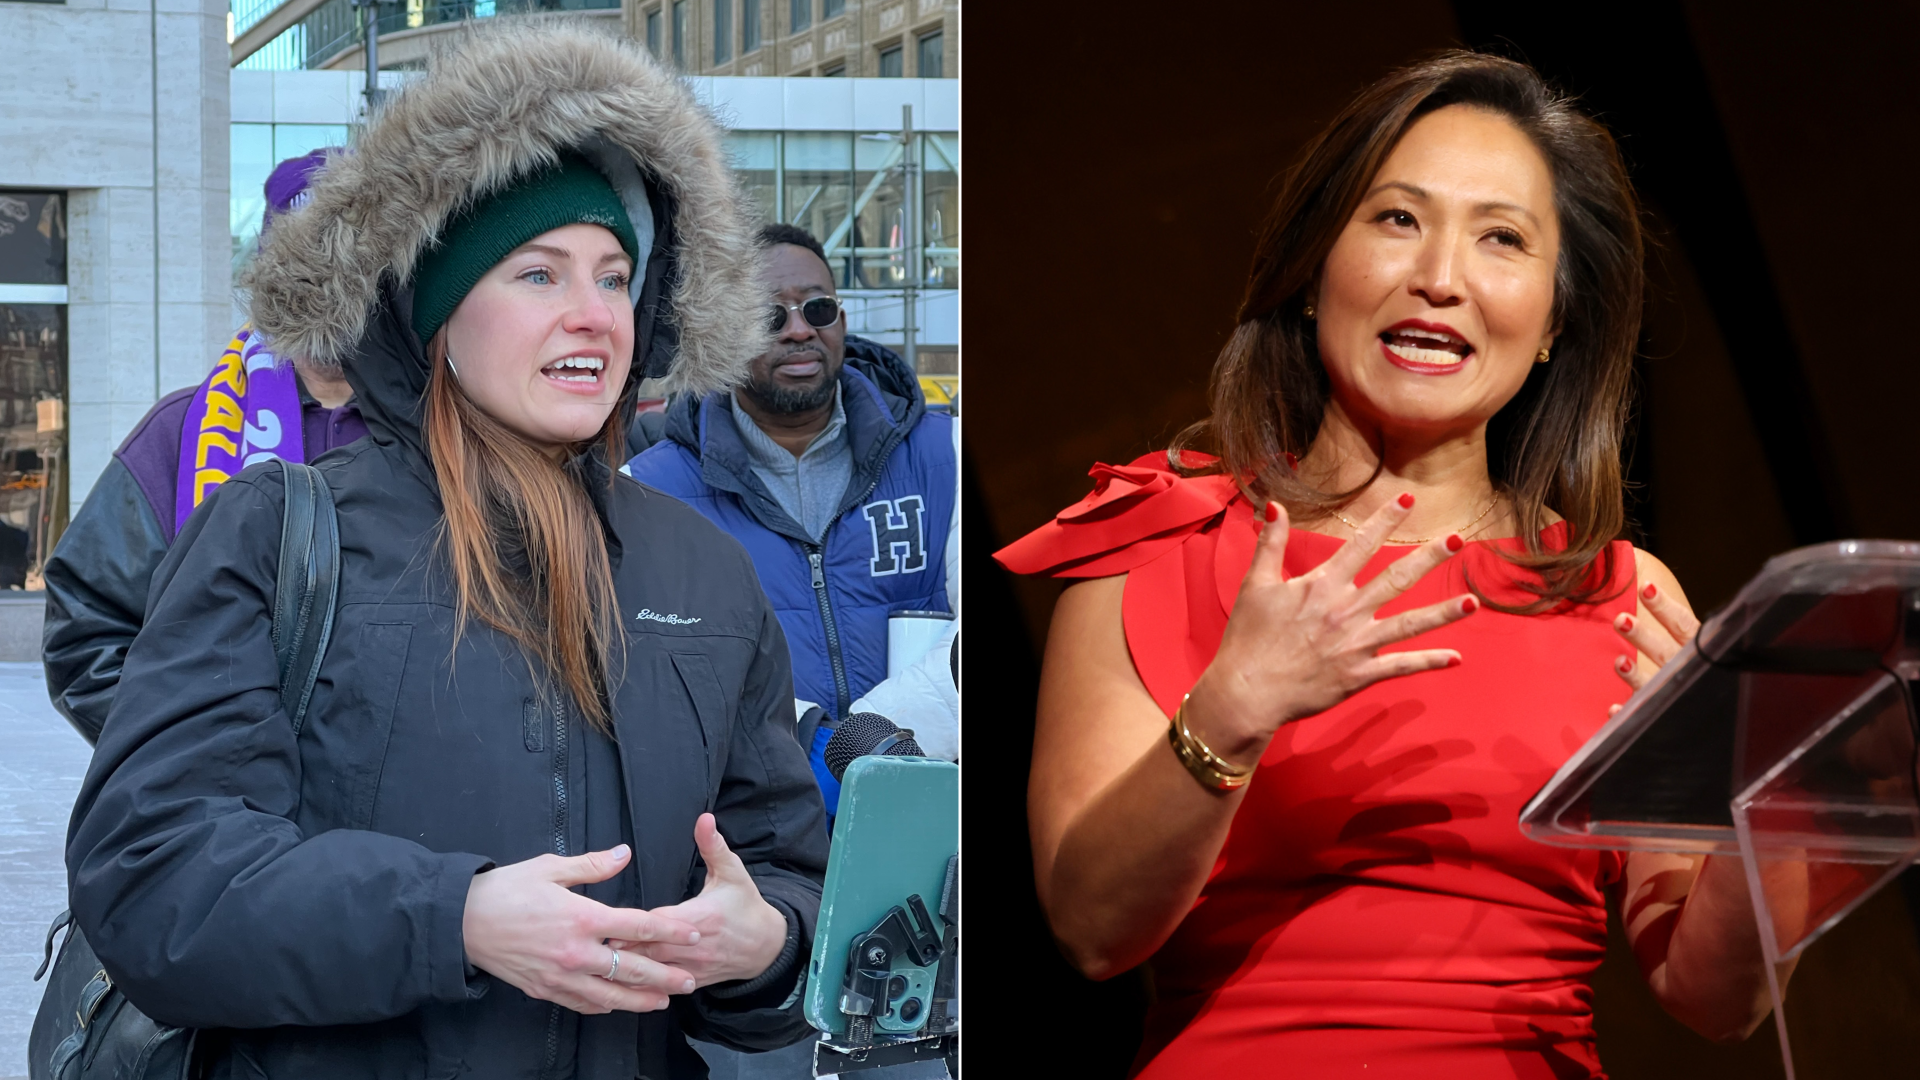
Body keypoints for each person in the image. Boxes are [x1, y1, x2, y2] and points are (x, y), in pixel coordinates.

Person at [996, 53, 1797, 1078]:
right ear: (1314, 268)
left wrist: (1767, 797)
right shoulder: (1164, 539)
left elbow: (1716, 997)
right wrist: (1232, 710)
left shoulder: (1622, 598)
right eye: (1398, 219)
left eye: (1502, 238)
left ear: (1556, 321)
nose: (1442, 277)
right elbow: (1091, 932)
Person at [64, 22, 828, 1079]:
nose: (593, 315)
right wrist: (453, 919)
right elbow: (153, 879)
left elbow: (789, 869)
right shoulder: (274, 534)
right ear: (438, 315)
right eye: (538, 274)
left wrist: (767, 943)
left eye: (614, 278)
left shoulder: (706, 572)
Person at [627, 223, 958, 817]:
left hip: (937, 811)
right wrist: (814, 753)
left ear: (842, 320)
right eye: (770, 315)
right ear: (725, 328)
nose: (801, 330)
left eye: (818, 308)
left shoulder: (948, 456)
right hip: (756, 833)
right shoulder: (648, 494)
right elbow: (655, 679)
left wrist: (872, 745)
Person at [41, 147, 364, 744]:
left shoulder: (447, 433)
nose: (326, 294)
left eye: (352, 270)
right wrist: (184, 755)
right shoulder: (179, 431)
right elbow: (85, 630)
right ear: (269, 284)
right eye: (304, 272)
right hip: (225, 790)